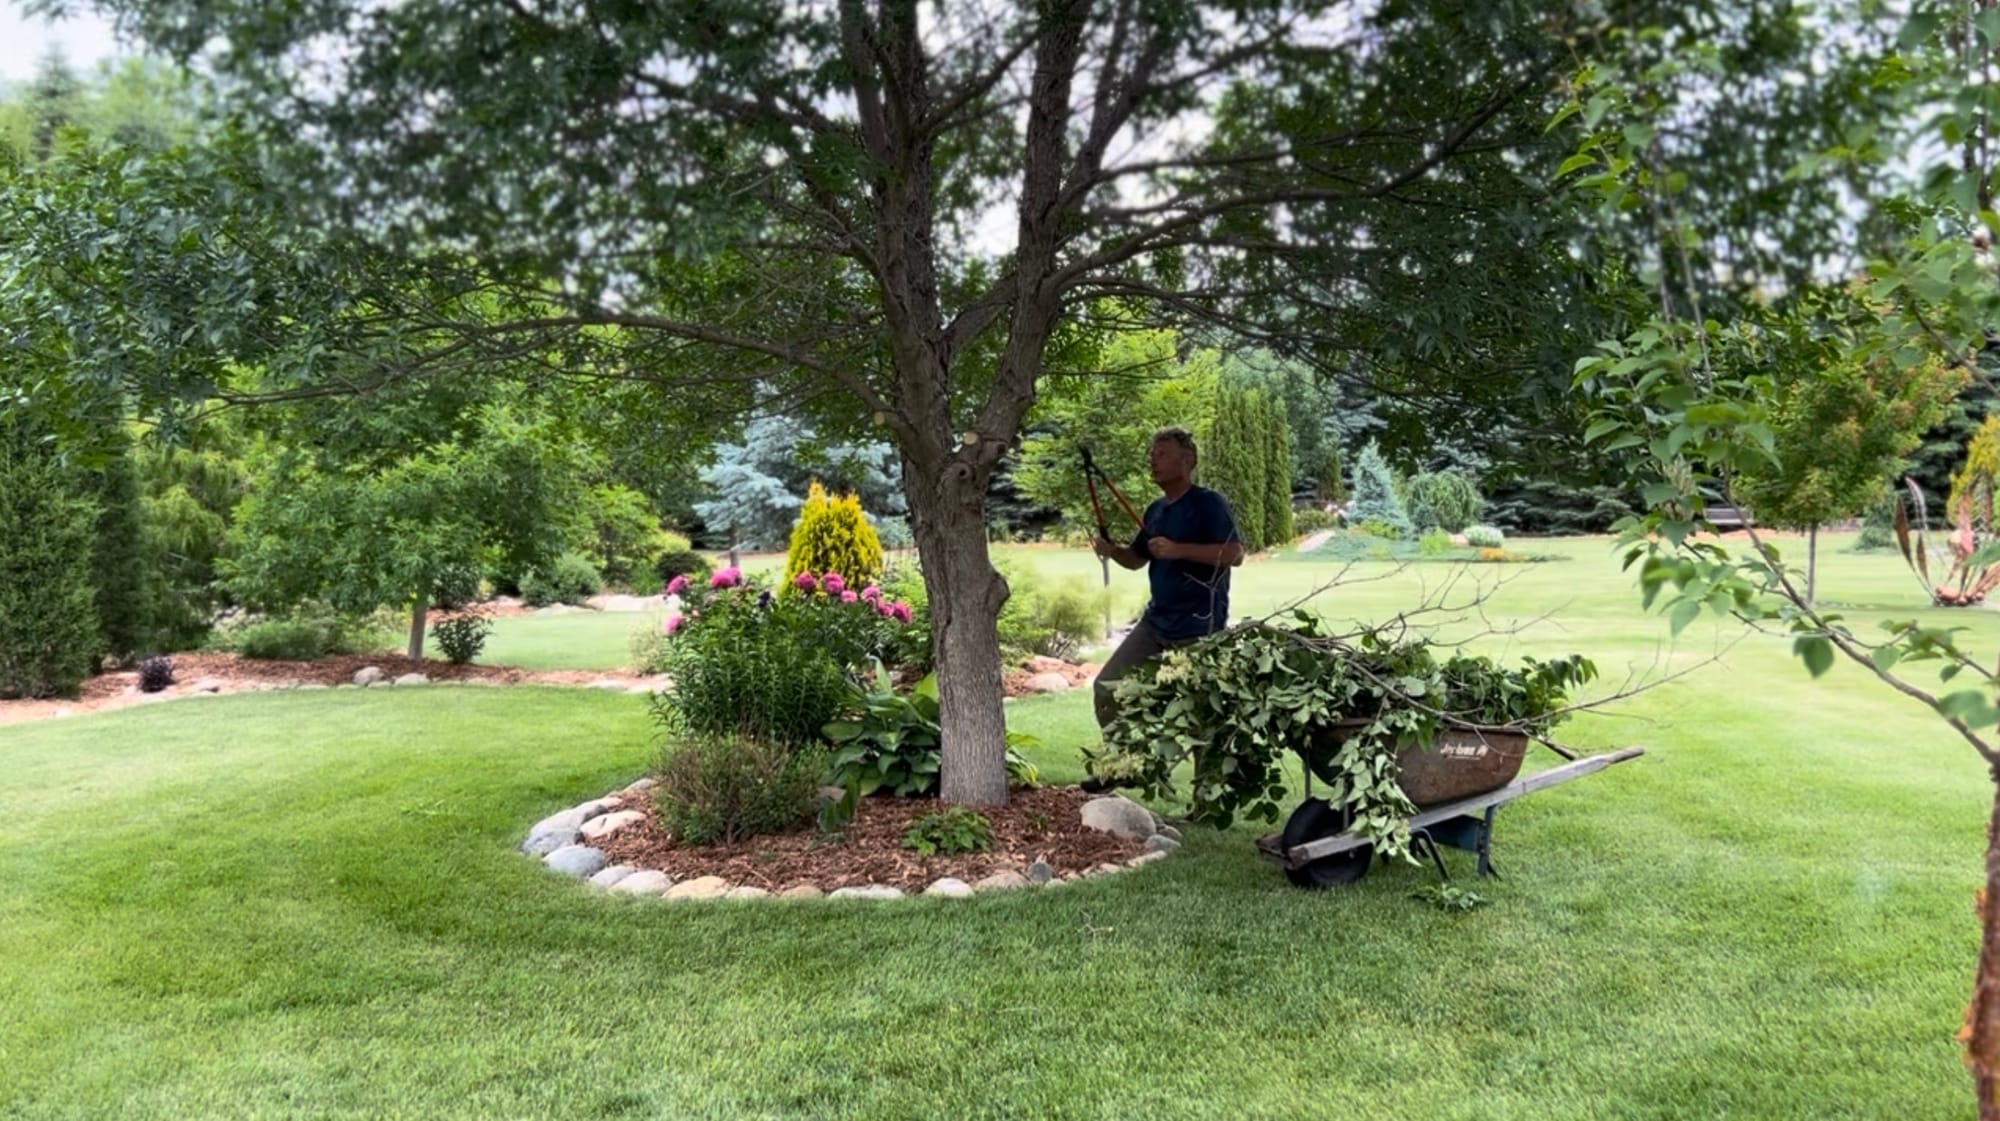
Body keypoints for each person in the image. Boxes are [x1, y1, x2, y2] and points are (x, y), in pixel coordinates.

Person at [1089, 426, 1246, 739]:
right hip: (1156, 624)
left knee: (1203, 718)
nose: (1153, 460)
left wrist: (1178, 550)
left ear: (1186, 462)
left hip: (1199, 629)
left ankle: (1207, 787)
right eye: (1152, 454)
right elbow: (1135, 559)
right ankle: (1124, 764)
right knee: (1108, 687)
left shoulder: (1208, 503)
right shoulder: (1156, 510)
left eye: (1163, 454)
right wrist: (1112, 551)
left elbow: (1235, 554)